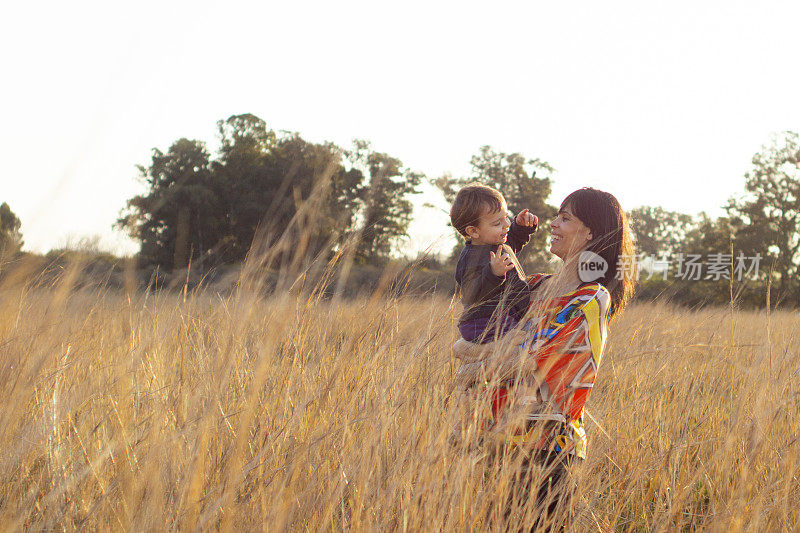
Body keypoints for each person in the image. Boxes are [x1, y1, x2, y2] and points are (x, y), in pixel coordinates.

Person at [453, 187, 636, 531]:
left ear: (590, 233)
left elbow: (532, 360)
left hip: (546, 452)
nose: (552, 224)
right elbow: (466, 337)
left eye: (565, 218)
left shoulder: (590, 298)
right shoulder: (532, 284)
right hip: (492, 440)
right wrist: (474, 359)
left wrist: (473, 365)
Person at [450, 184, 539, 344]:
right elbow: (472, 293)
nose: (506, 224)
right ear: (473, 231)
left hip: (504, 318)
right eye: (497, 223)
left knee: (529, 333)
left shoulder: (498, 243)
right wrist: (493, 274)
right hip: (482, 322)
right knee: (524, 340)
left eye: (506, 217)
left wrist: (520, 227)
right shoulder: (471, 257)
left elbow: (513, 242)